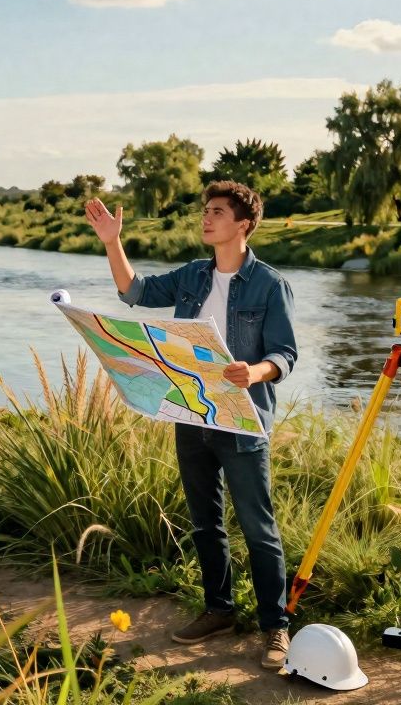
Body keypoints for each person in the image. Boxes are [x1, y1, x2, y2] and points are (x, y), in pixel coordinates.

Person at [84, 181, 298, 670]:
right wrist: (112, 242)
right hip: (191, 413)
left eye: (217, 212)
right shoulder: (193, 275)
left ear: (243, 224)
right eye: (206, 210)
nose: (206, 218)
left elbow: (285, 354)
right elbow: (134, 292)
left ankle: (275, 626)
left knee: (258, 528)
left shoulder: (270, 284)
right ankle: (218, 611)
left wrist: (255, 372)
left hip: (242, 421)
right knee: (205, 523)